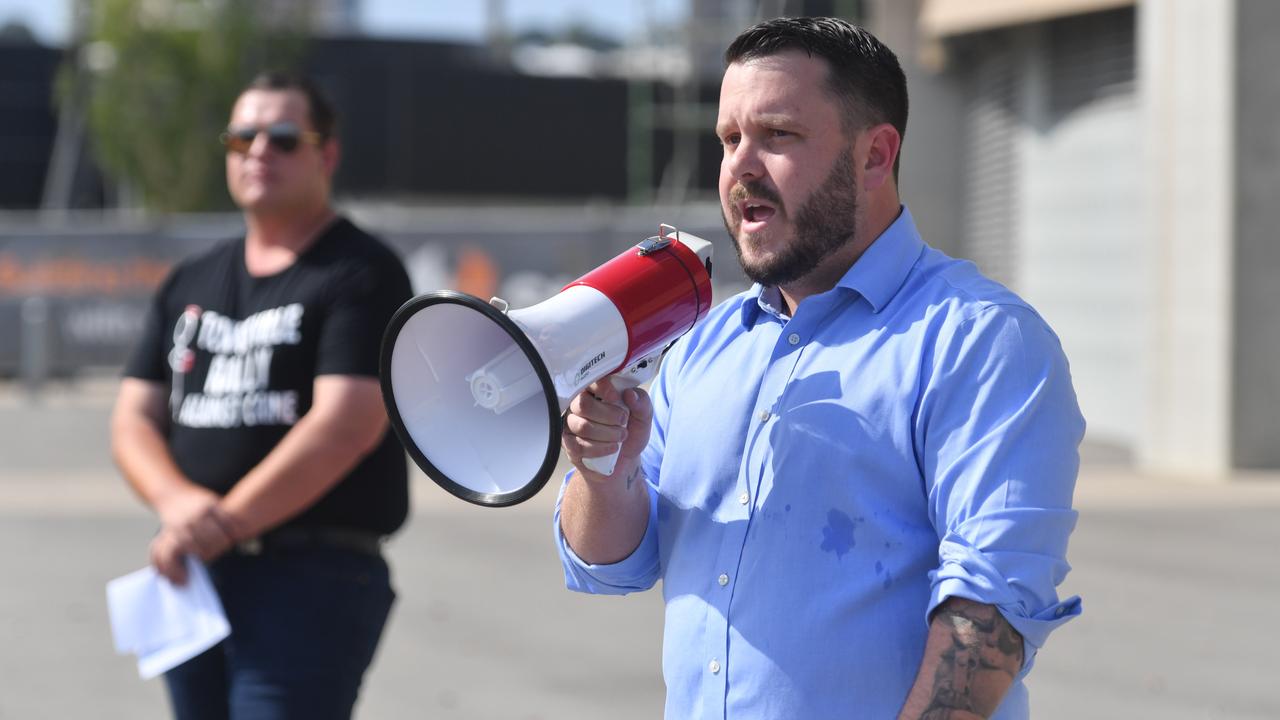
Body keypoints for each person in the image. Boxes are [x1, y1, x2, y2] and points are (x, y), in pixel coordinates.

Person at [556, 17, 1085, 720]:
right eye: (729, 139)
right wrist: (603, 469)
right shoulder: (701, 346)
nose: (741, 166)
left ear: (874, 156)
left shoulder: (981, 341)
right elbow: (609, 564)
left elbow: (990, 610)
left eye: (777, 135)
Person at [110, 71, 413, 719]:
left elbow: (348, 424)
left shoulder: (361, 272)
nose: (257, 153)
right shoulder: (191, 278)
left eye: (282, 138)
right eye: (242, 137)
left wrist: (223, 524)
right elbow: (134, 417)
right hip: (197, 572)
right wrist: (180, 503)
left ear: (325, 155)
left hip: (311, 576)